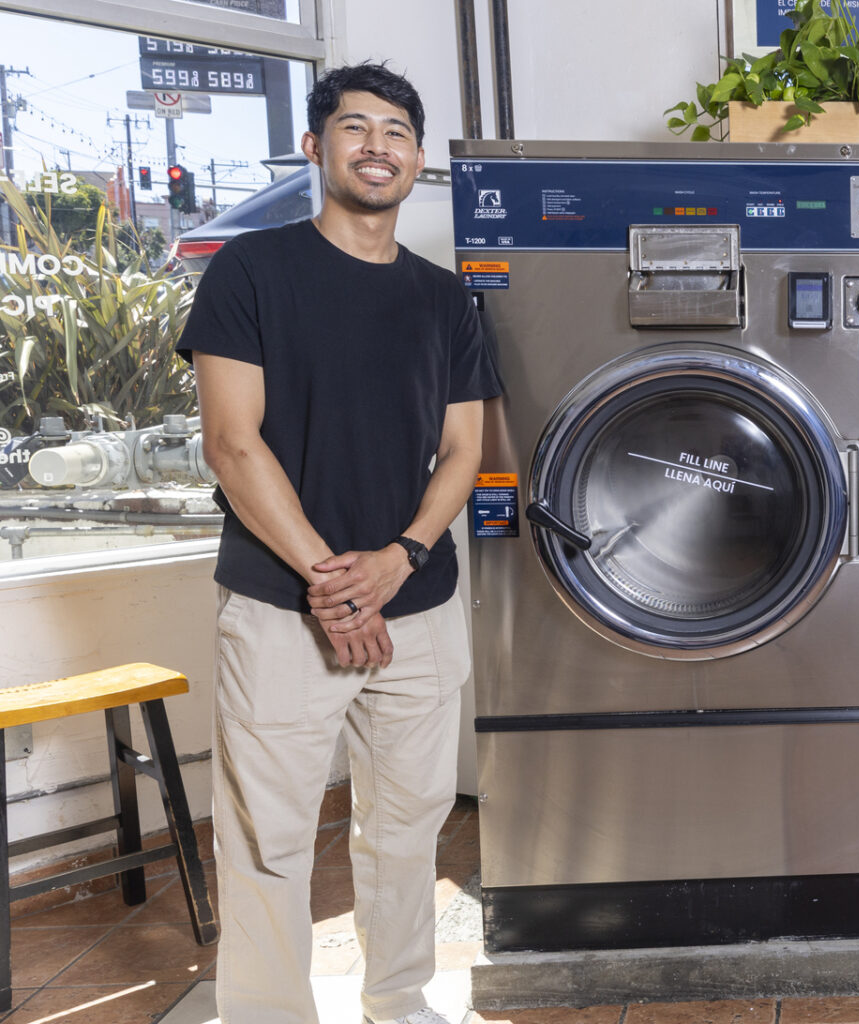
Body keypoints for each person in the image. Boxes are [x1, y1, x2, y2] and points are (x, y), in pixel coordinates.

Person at [177, 61, 500, 1024]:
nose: (377, 146)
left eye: (396, 131)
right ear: (316, 147)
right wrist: (331, 580)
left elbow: (464, 451)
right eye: (354, 128)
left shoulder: (445, 301)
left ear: (416, 159)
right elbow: (232, 445)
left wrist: (397, 559)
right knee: (268, 837)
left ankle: (397, 1002)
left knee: (407, 831)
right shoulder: (252, 271)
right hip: (284, 610)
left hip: (420, 602)